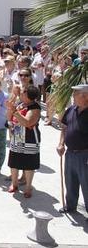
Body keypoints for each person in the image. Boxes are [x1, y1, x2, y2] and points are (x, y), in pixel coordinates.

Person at [57, 84, 88, 214]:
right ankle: (70, 206)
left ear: (85, 96)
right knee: (70, 181)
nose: (73, 97)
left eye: (75, 94)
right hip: (70, 153)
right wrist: (61, 143)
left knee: (87, 185)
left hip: (85, 155)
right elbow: (65, 128)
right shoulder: (71, 109)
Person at [6, 85, 42, 198]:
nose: (20, 94)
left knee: (29, 164)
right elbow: (8, 118)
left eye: (22, 92)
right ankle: (14, 184)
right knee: (14, 162)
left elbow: (27, 123)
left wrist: (14, 111)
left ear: (28, 95)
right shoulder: (20, 104)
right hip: (16, 137)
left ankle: (28, 187)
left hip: (29, 139)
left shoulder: (35, 107)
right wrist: (10, 109)